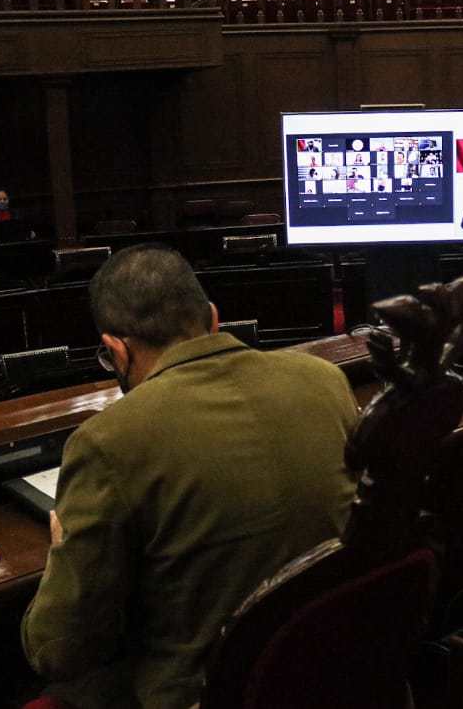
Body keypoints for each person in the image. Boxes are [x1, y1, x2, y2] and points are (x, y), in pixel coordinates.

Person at [21, 244, 359, 709]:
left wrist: (63, 548)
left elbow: (58, 650)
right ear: (214, 318)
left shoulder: (107, 440)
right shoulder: (325, 380)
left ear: (115, 349)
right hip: (335, 670)